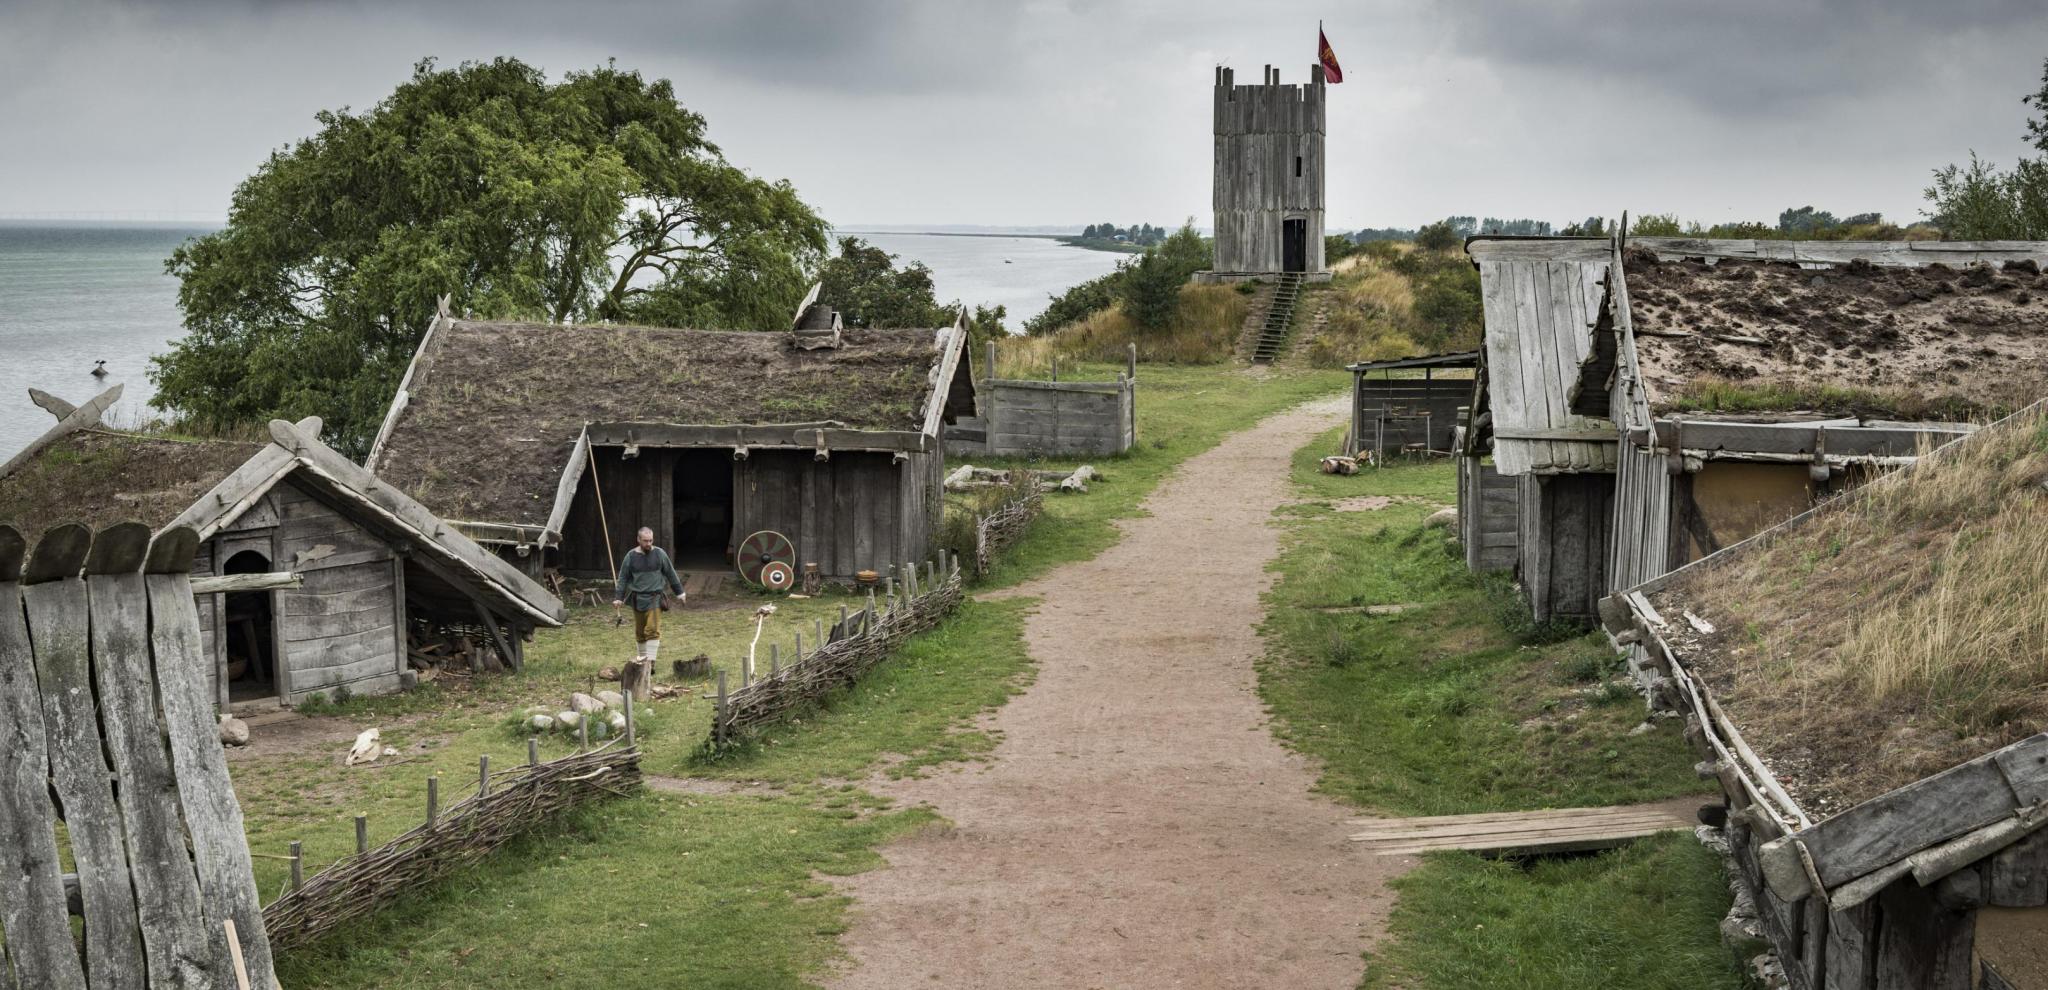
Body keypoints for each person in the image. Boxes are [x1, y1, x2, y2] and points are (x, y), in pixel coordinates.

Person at [612, 527, 684, 661]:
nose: (649, 543)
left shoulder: (660, 554)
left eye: (651, 540)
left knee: (652, 630)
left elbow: (670, 572)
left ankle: (650, 663)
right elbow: (623, 578)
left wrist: (680, 592)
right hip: (637, 599)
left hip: (655, 598)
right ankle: (642, 659)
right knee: (640, 632)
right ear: (638, 540)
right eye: (645, 541)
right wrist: (618, 598)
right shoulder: (630, 556)